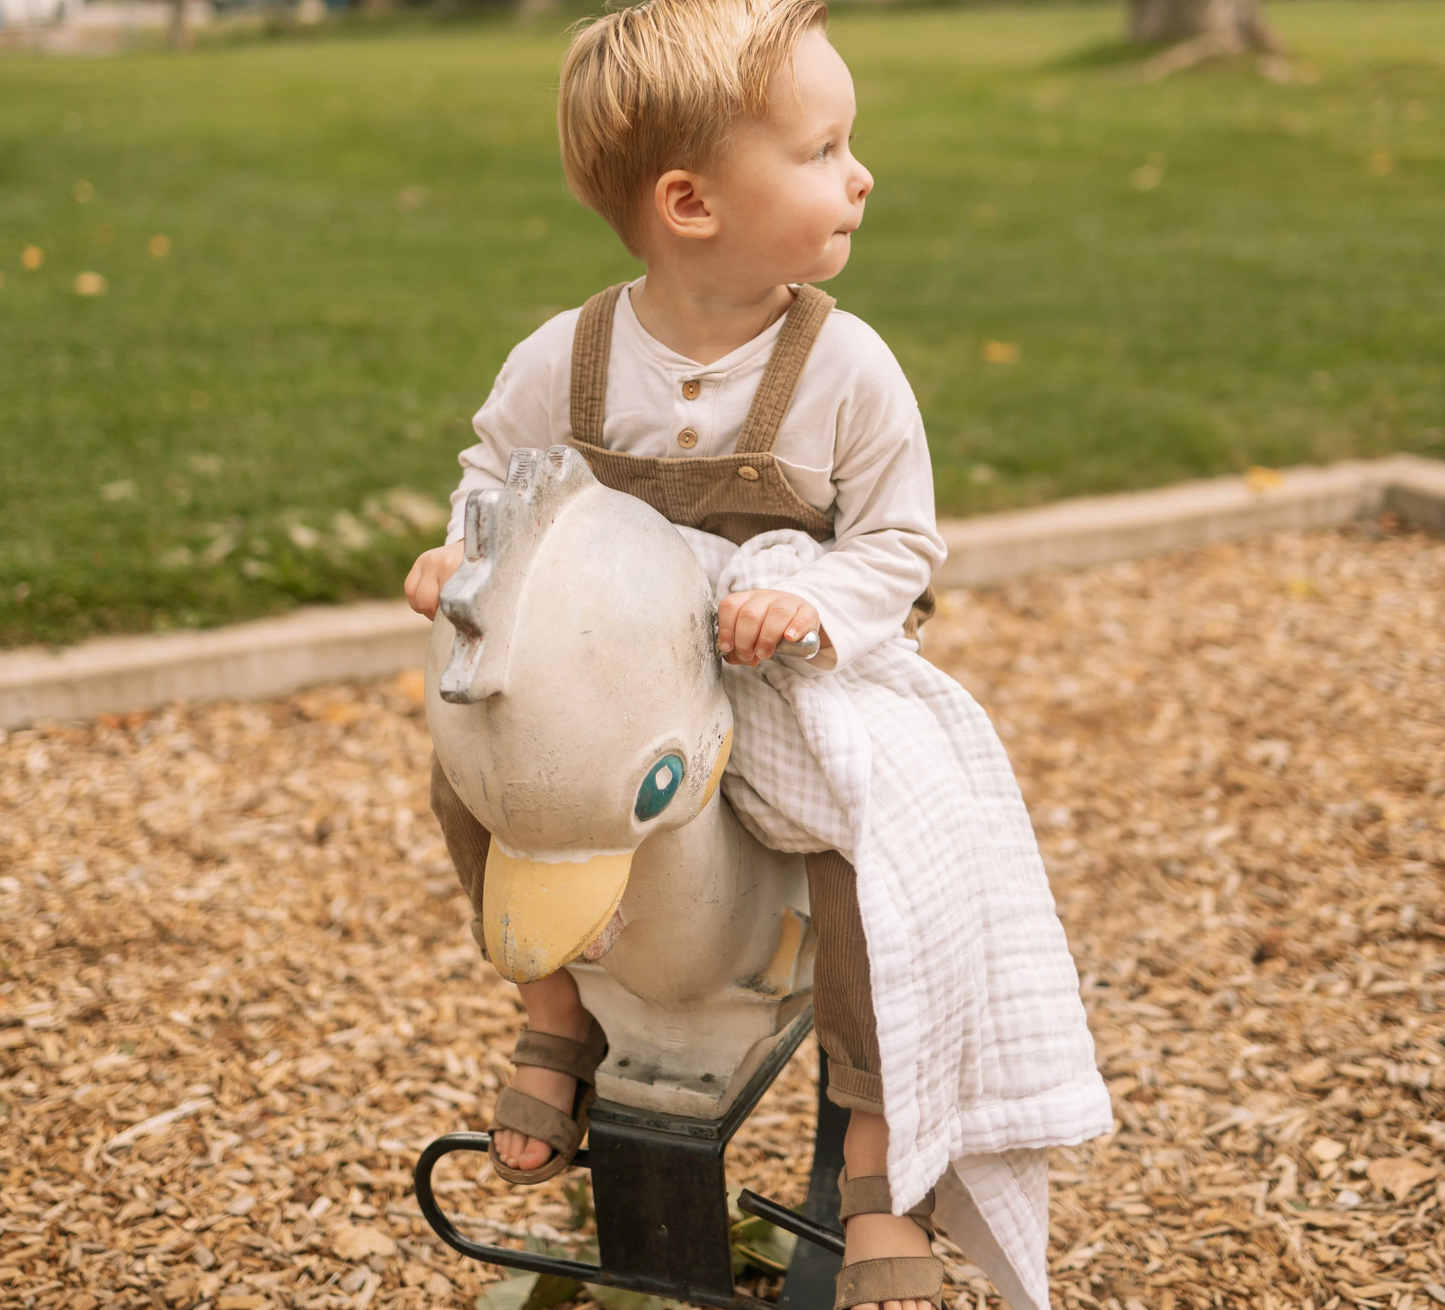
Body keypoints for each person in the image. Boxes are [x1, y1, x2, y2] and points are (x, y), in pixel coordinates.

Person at [406, 4, 1109, 1307]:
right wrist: (464, 559)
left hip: (781, 673)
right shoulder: (567, 359)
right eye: (824, 146)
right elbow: (493, 480)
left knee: (874, 844)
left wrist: (816, 605)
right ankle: (558, 1006)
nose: (862, 172)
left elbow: (901, 543)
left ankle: (879, 1159)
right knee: (473, 776)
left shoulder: (846, 369)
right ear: (690, 200)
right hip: (624, 678)